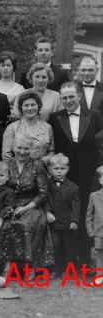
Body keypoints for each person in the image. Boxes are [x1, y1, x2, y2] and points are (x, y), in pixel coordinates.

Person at [49, 82, 103, 265]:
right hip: (64, 174)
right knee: (66, 214)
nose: (68, 101)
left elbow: (101, 143)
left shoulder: (94, 115)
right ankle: (67, 258)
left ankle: (86, 258)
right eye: (64, 98)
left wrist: (100, 167)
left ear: (79, 96)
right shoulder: (55, 117)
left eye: (71, 96)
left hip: (89, 173)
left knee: (86, 212)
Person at [0, 134, 54, 273]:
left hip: (32, 205)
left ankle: (29, 267)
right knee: (5, 225)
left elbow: (43, 194)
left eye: (26, 148)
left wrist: (26, 208)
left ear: (31, 150)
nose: (22, 152)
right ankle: (7, 267)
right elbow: (1, 186)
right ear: (13, 148)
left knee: (25, 224)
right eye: (19, 148)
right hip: (10, 204)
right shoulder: (7, 164)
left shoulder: (37, 166)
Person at [45, 153, 80, 278]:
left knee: (68, 247)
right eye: (56, 168)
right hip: (53, 223)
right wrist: (47, 212)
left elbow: (76, 206)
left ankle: (68, 269)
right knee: (55, 246)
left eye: (62, 168)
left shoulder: (73, 187)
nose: (59, 171)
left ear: (67, 169)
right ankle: (55, 269)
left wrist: (74, 221)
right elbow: (44, 199)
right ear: (50, 169)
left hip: (67, 223)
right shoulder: (47, 185)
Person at [3, 90, 54, 163]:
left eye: (33, 105)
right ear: (21, 108)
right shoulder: (12, 128)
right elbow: (6, 156)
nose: (30, 108)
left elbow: (52, 150)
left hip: (42, 168)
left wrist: (47, 159)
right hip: (17, 169)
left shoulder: (47, 127)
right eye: (26, 105)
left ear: (38, 106)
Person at [86, 166, 103, 285]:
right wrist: (90, 228)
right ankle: (100, 275)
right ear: (100, 180)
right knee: (99, 253)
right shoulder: (94, 196)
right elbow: (89, 214)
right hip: (99, 230)